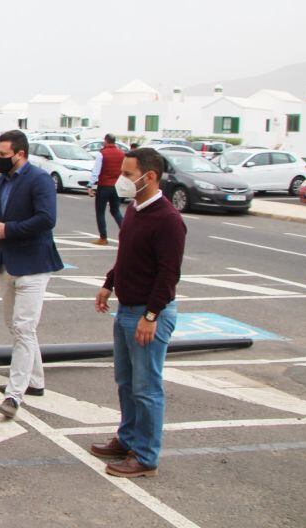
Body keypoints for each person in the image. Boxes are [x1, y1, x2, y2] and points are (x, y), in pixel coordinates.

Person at [92, 147, 185, 478]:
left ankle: (145, 457)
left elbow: (167, 274)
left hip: (147, 314)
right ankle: (127, 438)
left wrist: (151, 316)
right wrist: (109, 284)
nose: (122, 181)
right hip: (126, 309)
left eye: (128, 175)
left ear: (151, 177)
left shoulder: (168, 220)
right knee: (126, 381)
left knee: (147, 388)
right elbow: (127, 255)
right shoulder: (134, 210)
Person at [0, 129, 64, 419]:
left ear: (20, 154)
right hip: (7, 264)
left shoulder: (40, 180)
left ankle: (14, 395)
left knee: (23, 327)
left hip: (35, 265)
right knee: (16, 325)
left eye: (2, 155)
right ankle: (35, 381)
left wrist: (10, 230)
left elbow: (47, 219)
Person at [87, 134, 125, 245]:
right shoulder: (121, 154)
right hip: (117, 186)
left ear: (106, 141)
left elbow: (96, 171)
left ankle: (103, 237)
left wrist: (90, 185)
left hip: (104, 186)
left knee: (100, 212)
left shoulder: (102, 154)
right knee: (115, 210)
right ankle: (126, 234)